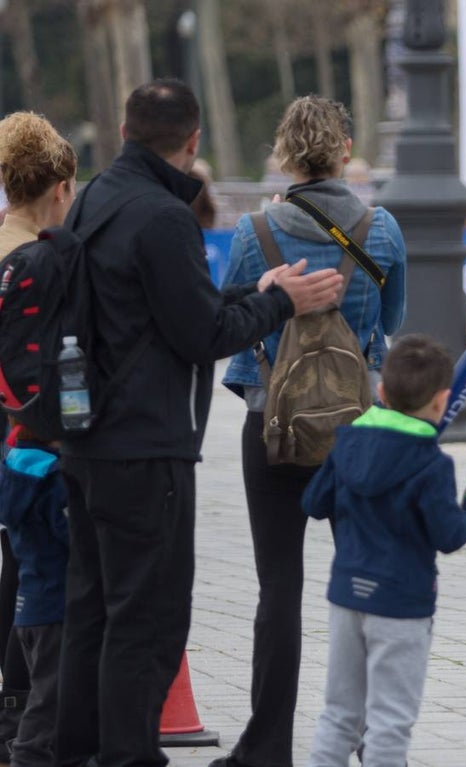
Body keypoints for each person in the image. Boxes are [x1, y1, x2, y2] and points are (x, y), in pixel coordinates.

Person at [54, 79, 344, 767]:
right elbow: (203, 333)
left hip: (87, 440)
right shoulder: (163, 217)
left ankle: (75, 752)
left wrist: (259, 289)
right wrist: (286, 304)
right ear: (193, 143)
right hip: (144, 445)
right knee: (148, 616)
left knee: (91, 610)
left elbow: (174, 306)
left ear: (123, 131)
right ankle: (127, 755)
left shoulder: (95, 198)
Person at [215, 95, 407, 767]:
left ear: (284, 153)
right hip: (355, 428)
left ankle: (266, 745)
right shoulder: (380, 229)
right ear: (346, 150)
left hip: (270, 423)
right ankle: (365, 735)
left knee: (279, 585)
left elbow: (235, 318)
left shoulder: (254, 230)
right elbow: (389, 322)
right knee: (361, 579)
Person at [304, 335, 466, 767]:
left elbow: (314, 503)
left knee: (339, 715)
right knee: (389, 720)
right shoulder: (431, 463)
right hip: (401, 603)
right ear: (443, 401)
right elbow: (448, 535)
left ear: (381, 392)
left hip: (346, 595)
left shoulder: (348, 441)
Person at [0, 110, 77, 767]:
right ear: (59, 186)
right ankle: (28, 724)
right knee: (38, 576)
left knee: (18, 568)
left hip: (13, 437)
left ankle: (19, 713)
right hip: (33, 440)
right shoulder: (37, 259)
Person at [0, 424, 69, 767]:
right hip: (55, 609)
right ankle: (27, 756)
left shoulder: (15, 473)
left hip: (28, 611)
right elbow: (74, 538)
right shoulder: (55, 481)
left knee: (46, 692)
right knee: (49, 700)